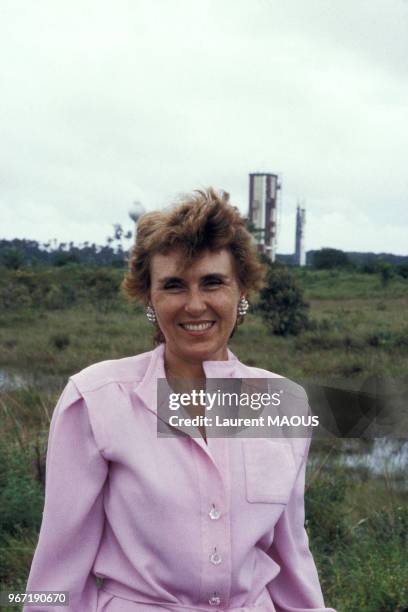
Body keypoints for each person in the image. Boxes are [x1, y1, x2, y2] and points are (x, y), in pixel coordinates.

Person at [24, 188, 336, 612]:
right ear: (149, 298)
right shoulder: (97, 399)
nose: (194, 305)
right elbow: (56, 573)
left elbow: (292, 557)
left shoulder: (282, 404)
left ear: (242, 290)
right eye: (173, 285)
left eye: (213, 282)